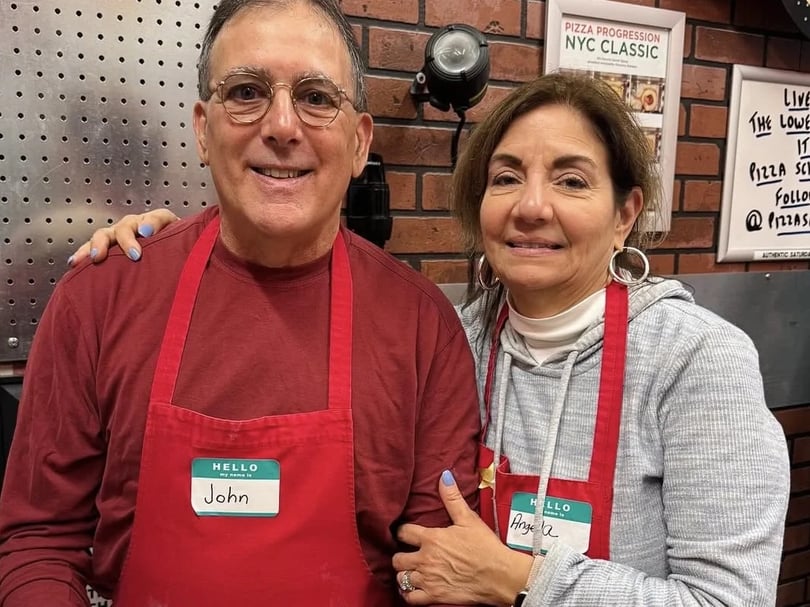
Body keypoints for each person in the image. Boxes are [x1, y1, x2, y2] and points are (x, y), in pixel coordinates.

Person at [85, 72, 792, 607]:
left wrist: (522, 580)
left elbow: (730, 599)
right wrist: (172, 249)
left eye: (572, 181)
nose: (532, 206)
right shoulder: (458, 338)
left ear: (624, 213)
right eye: (506, 177)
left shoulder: (694, 360)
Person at [0, 1, 481, 605]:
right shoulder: (99, 298)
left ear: (360, 144)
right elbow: (41, 540)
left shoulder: (422, 326)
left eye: (315, 98)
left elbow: (438, 567)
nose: (281, 126)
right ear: (203, 130)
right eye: (247, 92)